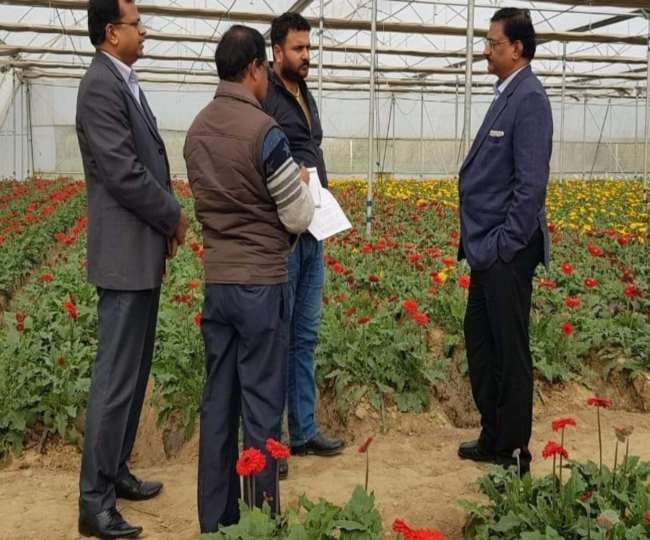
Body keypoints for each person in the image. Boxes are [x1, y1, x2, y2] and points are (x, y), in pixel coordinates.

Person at [184, 25, 314, 533]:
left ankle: (216, 522)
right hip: (261, 283)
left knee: (218, 403)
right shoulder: (266, 132)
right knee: (261, 410)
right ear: (256, 68)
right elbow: (297, 215)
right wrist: (299, 183)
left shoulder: (196, 130)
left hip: (218, 284)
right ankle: (260, 522)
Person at [76, 0, 189, 537]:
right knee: (115, 379)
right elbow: (123, 172)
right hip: (124, 259)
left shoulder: (122, 81)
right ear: (110, 31)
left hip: (138, 255)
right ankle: (94, 502)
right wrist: (173, 216)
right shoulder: (101, 86)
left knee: (134, 373)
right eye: (136, 23)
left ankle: (116, 470)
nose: (144, 31)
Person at [456, 7, 553, 477]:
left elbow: (530, 186)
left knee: (509, 350)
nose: (486, 51)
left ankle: (513, 451)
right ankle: (492, 435)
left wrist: (504, 245)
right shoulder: (507, 94)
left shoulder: (530, 98)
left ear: (517, 48)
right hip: (487, 250)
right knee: (482, 342)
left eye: (493, 43)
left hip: (505, 252)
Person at [264, 12, 345, 471]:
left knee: (305, 335)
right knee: (278, 336)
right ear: (277, 51)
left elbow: (310, 149)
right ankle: (272, 441)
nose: (306, 56)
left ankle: (304, 430)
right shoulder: (265, 95)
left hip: (314, 230)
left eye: (309, 48)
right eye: (298, 49)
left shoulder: (303, 93)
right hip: (285, 236)